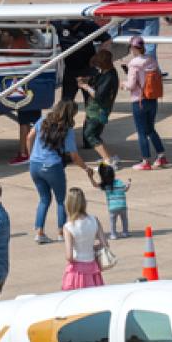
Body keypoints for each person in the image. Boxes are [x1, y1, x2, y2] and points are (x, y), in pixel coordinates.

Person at [29, 100, 96, 244]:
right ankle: (61, 232)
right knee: (60, 201)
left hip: (35, 165)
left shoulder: (43, 121)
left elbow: (29, 137)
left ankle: (39, 232)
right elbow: (74, 155)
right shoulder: (67, 130)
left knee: (44, 200)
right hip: (53, 166)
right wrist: (86, 168)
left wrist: (31, 156)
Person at [121, 35, 168, 170]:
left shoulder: (134, 64)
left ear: (133, 48)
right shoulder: (152, 60)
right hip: (152, 99)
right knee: (150, 129)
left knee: (141, 132)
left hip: (139, 100)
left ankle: (145, 161)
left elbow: (131, 85)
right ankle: (161, 156)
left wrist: (123, 84)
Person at [60, 188, 107, 290]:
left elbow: (69, 256)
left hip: (76, 271)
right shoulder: (94, 220)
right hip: (93, 268)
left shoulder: (68, 226)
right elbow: (105, 244)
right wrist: (91, 248)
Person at [79, 49, 120, 167]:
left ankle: (108, 160)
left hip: (99, 111)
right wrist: (86, 80)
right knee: (95, 134)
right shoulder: (106, 72)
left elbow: (98, 95)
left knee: (90, 135)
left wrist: (85, 87)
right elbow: (96, 80)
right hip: (96, 111)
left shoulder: (109, 77)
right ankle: (109, 157)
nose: (97, 67)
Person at [96, 163, 130, 239]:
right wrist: (128, 184)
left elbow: (96, 185)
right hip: (123, 206)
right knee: (124, 220)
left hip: (112, 207)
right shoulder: (119, 182)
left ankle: (113, 234)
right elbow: (125, 189)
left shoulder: (105, 185)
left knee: (113, 222)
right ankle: (125, 232)